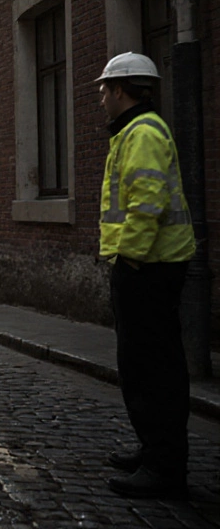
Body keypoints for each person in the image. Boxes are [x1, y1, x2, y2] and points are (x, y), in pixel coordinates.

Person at [95, 52, 196, 500]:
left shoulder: (143, 133)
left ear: (121, 90)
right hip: (148, 265)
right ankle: (153, 449)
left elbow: (148, 202)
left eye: (104, 89)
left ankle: (164, 465)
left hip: (149, 268)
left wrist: (129, 259)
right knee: (143, 367)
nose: (100, 98)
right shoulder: (134, 131)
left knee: (151, 368)